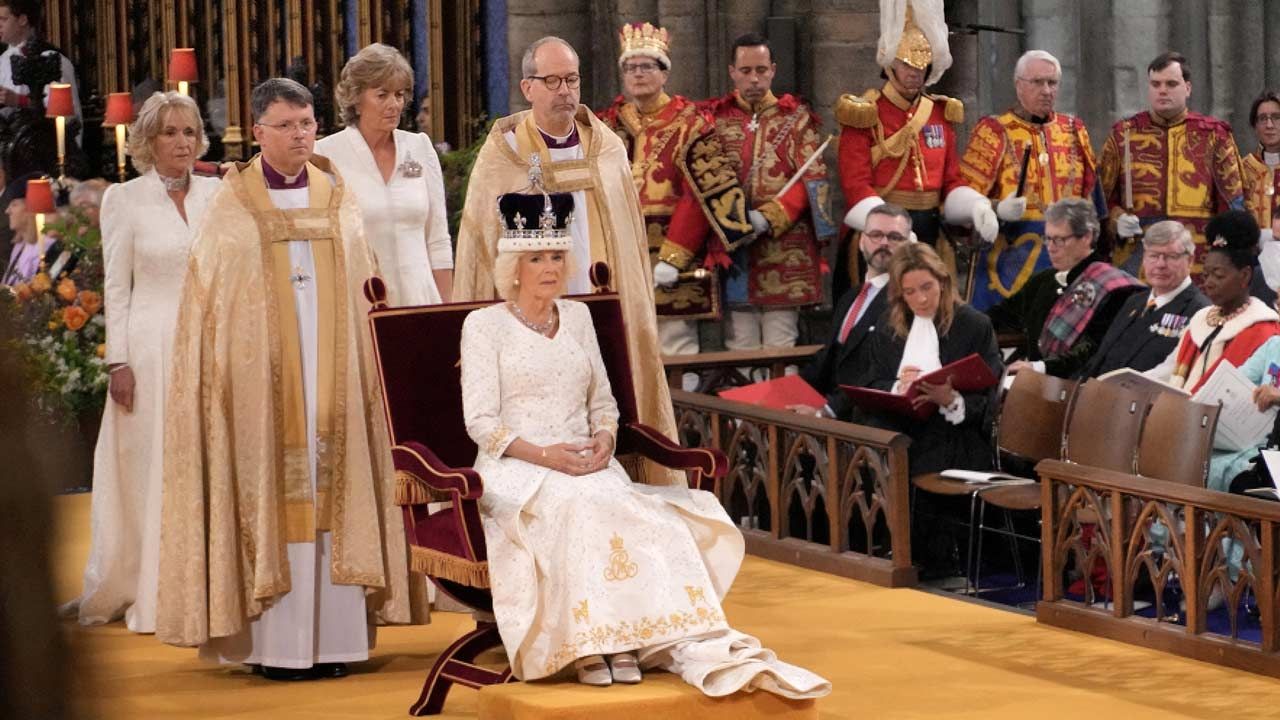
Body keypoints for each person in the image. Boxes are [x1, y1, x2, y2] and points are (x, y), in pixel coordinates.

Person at [460, 186, 829, 698]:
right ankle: (588, 645)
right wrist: (547, 456)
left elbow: (603, 404)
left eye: (557, 256)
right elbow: (480, 422)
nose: (550, 267)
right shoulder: (484, 326)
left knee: (631, 507)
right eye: (537, 257)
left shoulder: (580, 317)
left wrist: (606, 440)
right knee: (574, 506)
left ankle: (628, 639)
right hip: (517, 465)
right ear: (513, 267)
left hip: (586, 459)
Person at [156, 78, 417, 680]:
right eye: (288, 125)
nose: (302, 135)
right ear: (258, 132)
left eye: (307, 124)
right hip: (260, 389)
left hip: (335, 377)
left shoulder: (336, 194)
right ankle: (277, 648)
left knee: (335, 489)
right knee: (274, 493)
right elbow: (212, 304)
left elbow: (363, 283)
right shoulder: (233, 205)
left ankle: (337, 644)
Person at [453, 36, 678, 478]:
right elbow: (478, 248)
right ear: (527, 87)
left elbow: (630, 245)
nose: (565, 91)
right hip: (529, 318)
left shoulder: (607, 148)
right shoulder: (505, 155)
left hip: (604, 306)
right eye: (552, 80)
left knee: (612, 396)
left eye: (572, 79)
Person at [62, 93, 220, 634]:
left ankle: (207, 583)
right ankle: (153, 588)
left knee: (205, 461)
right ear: (148, 143)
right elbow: (117, 287)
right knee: (152, 463)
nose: (180, 142)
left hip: (211, 345)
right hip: (150, 349)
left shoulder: (219, 195)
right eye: (169, 133)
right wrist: (119, 363)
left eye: (188, 132)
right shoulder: (123, 201)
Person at [598, 22, 766, 364]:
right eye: (630, 67)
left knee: (674, 345)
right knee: (627, 345)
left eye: (647, 66)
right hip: (622, 248)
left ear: (664, 73)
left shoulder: (692, 122)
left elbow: (702, 193)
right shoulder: (609, 124)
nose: (638, 74)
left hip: (675, 249)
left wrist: (674, 256)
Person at [943, 50, 1105, 311]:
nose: (1046, 90)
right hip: (1010, 263)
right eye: (1037, 82)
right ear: (1019, 86)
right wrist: (996, 208)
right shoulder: (994, 131)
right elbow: (963, 203)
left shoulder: (1075, 130)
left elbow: (1092, 202)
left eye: (1052, 83)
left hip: (1070, 261)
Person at [702, 33, 834, 351]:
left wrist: (769, 216)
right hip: (736, 252)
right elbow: (702, 179)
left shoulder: (797, 120)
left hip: (785, 249)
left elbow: (813, 182)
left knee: (781, 345)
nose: (754, 78)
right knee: (740, 345)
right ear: (732, 71)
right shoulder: (715, 120)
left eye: (761, 70)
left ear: (773, 70)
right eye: (746, 71)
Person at [835, 0, 965, 301]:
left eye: (921, 67)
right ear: (891, 63)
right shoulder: (865, 112)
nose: (914, 73)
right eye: (907, 64)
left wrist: (972, 206)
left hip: (929, 231)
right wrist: (892, 231)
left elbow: (951, 179)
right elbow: (855, 185)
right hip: (881, 231)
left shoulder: (940, 113)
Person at [316, 43, 453, 307]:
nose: (394, 105)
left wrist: (448, 309)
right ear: (356, 98)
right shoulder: (326, 154)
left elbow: (438, 239)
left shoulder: (420, 147)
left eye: (399, 95)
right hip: (360, 302)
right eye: (382, 95)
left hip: (421, 301)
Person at [860, 242, 1003, 477]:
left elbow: (989, 397)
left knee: (923, 456)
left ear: (943, 282)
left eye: (927, 287)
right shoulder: (888, 327)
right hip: (899, 427)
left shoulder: (973, 325)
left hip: (954, 433)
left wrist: (950, 399)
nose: (922, 299)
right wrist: (899, 386)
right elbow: (873, 382)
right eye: (910, 292)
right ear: (900, 295)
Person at [1099, 52, 1244, 279]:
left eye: (1171, 84)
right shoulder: (1123, 134)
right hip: (1137, 261)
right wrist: (1117, 220)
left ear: (1187, 88)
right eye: (1156, 84)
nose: (1162, 90)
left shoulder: (1214, 135)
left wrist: (1226, 256)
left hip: (1197, 262)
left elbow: (1232, 203)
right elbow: (1102, 199)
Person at [990, 197, 1143, 377]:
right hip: (1034, 386)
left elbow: (1092, 352)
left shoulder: (1114, 289)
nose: (1051, 248)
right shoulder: (1044, 280)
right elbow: (1001, 317)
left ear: (1086, 237)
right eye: (1047, 239)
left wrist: (1041, 367)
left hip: (1081, 391)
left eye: (1059, 240)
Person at [795, 204, 912, 419]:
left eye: (894, 237)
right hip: (824, 408)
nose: (884, 243)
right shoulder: (850, 296)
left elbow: (879, 372)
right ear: (861, 242)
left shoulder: (906, 300)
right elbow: (829, 356)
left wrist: (827, 411)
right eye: (876, 235)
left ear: (908, 246)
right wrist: (787, 392)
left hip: (864, 419)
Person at [1148, 211, 1280, 397]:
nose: (1208, 283)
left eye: (1218, 275)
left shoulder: (1263, 329)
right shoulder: (1202, 318)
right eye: (1206, 275)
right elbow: (1168, 370)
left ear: (1244, 275)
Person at [1078, 220, 1209, 378]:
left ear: (1190, 261)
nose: (1160, 264)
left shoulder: (1200, 312)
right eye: (1153, 255)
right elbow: (1100, 358)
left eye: (1171, 257)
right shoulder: (1134, 301)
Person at [0, 0, 79, 118]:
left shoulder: (51, 59)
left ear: (22, 20)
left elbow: (63, 112)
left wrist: (18, 100)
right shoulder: (3, 59)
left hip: (39, 134)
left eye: (3, 19)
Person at [1243, 90, 1280, 292]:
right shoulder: (1242, 168)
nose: (1269, 125)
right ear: (1255, 126)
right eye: (1262, 119)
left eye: (1276, 117)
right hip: (1253, 263)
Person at [0, 171, 43, 285]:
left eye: (14, 205)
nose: (7, 211)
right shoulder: (19, 244)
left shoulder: (43, 247)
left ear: (30, 209)